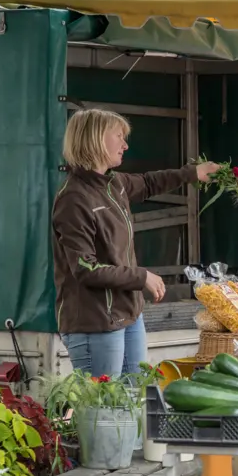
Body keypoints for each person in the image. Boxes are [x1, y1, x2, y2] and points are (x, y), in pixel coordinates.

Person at [52, 109, 219, 378]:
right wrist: (140, 277)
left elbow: (149, 182)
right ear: (95, 139)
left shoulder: (114, 184)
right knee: (103, 411)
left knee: (134, 402)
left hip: (129, 315)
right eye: (118, 136)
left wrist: (193, 173)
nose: (125, 144)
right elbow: (85, 269)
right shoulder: (74, 199)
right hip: (96, 323)